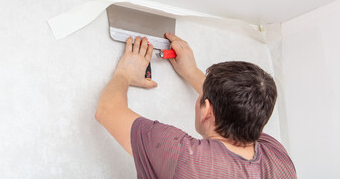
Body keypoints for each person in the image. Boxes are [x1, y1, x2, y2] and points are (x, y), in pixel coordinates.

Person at [95, 33, 296, 178]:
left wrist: (124, 74)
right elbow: (238, 110)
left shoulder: (183, 155)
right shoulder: (280, 159)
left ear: (207, 111)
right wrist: (191, 71)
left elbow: (107, 110)